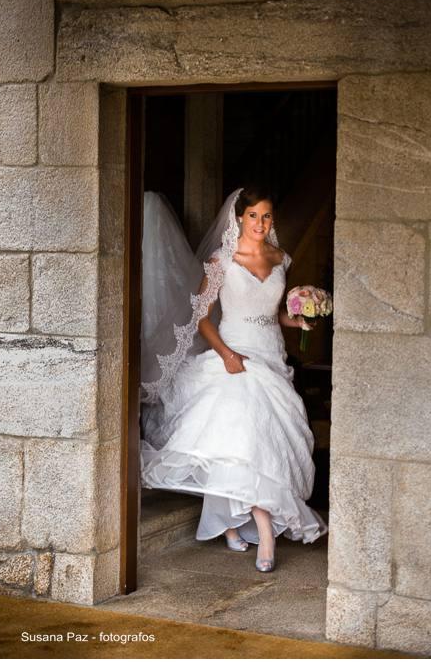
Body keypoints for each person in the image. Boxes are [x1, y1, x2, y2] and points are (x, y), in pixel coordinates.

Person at [140, 186, 327, 573]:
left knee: (256, 443)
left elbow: (269, 314)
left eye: (267, 216)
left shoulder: (280, 258)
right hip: (234, 358)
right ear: (239, 218)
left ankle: (225, 524)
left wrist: (297, 319)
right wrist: (226, 354)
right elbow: (201, 318)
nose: (261, 223)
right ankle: (266, 532)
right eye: (254, 215)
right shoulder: (220, 261)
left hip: (271, 356)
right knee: (247, 440)